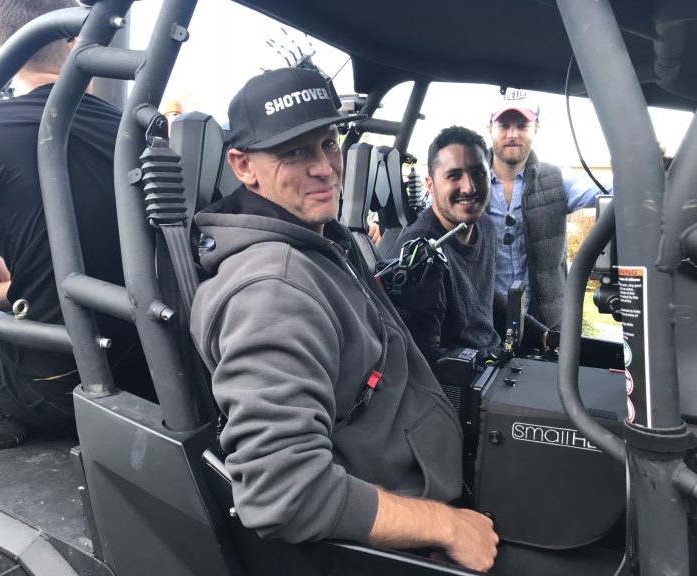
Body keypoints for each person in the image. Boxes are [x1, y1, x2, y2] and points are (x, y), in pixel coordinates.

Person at [190, 66, 498, 573]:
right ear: (243, 166)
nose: (324, 168)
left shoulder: (322, 241)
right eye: (294, 152)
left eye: (328, 144)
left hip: (429, 475)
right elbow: (285, 491)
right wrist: (445, 525)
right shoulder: (272, 291)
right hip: (393, 539)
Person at [0, 0, 152, 450]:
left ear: (4, 43)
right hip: (153, 375)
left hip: (57, 383)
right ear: (76, 43)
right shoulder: (139, 133)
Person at [390, 126, 549, 369]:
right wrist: (484, 368)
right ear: (430, 184)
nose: (469, 187)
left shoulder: (484, 226)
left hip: (493, 364)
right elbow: (422, 359)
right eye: (454, 176)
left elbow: (485, 298)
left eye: (478, 174)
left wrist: (541, 334)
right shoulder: (419, 252)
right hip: (459, 382)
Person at [488, 99, 612, 329]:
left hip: (547, 325)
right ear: (490, 129)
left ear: (536, 128)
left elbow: (611, 188)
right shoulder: (469, 184)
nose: (512, 134)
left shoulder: (556, 180)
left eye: (522, 126)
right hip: (486, 323)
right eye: (504, 126)